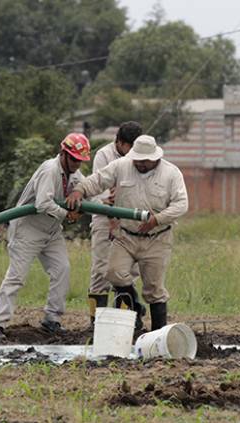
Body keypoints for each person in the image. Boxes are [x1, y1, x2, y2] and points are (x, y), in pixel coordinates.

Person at [67, 135, 188, 331]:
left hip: (157, 238)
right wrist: (79, 191)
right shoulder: (121, 166)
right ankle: (134, 313)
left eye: (144, 161)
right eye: (137, 160)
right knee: (113, 273)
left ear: (155, 158)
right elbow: (97, 181)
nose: (140, 164)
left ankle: (157, 335)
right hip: (126, 236)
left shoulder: (171, 174)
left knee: (154, 289)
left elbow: (182, 204)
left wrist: (157, 219)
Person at [0, 133, 90, 340]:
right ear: (64, 154)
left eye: (80, 161)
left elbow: (90, 190)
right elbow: (43, 203)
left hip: (51, 231)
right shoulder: (50, 170)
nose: (77, 164)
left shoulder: (76, 176)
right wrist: (67, 214)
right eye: (74, 159)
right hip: (28, 229)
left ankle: (52, 319)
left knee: (62, 269)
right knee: (17, 276)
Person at [87, 121, 143, 328]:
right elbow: (103, 194)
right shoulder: (104, 155)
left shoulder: (140, 156)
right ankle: (96, 321)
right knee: (101, 270)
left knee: (126, 271)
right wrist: (111, 219)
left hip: (129, 218)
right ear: (119, 142)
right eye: (129, 147)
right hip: (104, 217)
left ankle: (125, 320)